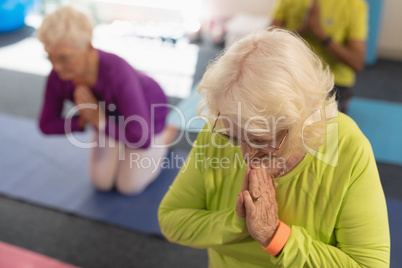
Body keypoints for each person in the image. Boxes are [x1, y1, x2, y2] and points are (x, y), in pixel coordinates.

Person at [158, 29, 390, 267]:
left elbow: (369, 264)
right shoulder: (224, 127)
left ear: (300, 122)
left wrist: (275, 237)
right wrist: (237, 222)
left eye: (260, 139)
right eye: (235, 138)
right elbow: (172, 220)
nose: (246, 155)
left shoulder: (347, 146)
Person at [37, 5, 168, 195]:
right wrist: (84, 119)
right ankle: (115, 134)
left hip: (147, 116)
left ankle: (166, 136)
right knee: (102, 182)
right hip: (109, 118)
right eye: (50, 57)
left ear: (88, 47)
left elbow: (142, 138)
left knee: (128, 187)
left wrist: (98, 120)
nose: (56, 67)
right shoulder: (57, 77)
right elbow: (46, 125)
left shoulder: (117, 72)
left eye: (64, 58)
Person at [270, 0, 368, 113]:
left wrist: (319, 32)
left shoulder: (354, 4)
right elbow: (268, 43)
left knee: (315, 123)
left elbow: (357, 62)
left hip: (333, 81)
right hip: (294, 75)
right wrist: (303, 29)